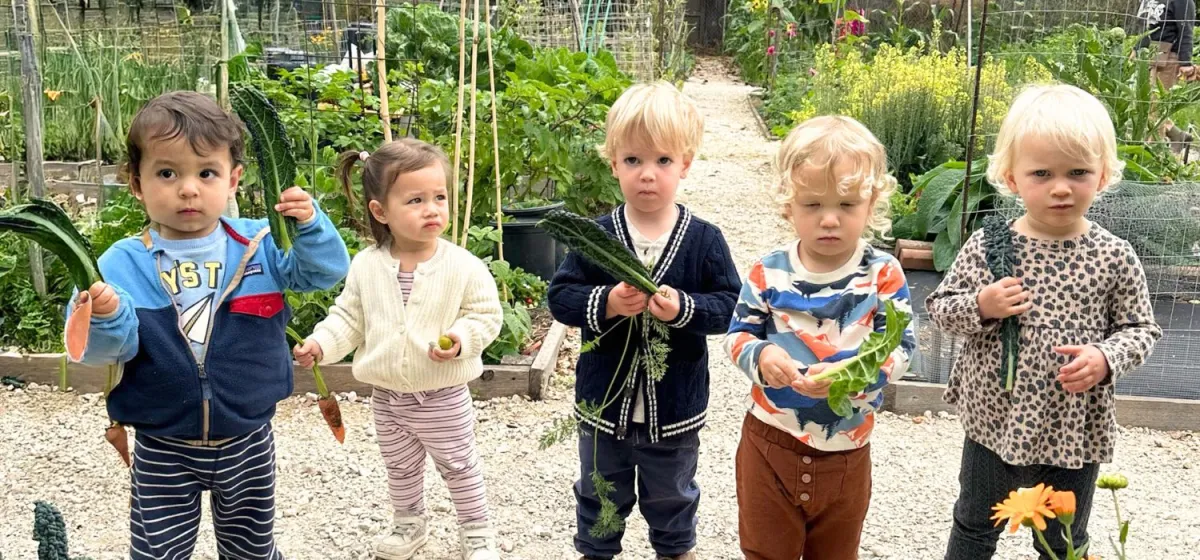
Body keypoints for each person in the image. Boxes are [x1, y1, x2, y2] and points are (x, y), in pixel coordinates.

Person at [67, 90, 351, 559]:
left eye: (206, 173)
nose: (188, 188)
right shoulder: (120, 264)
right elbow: (99, 350)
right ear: (135, 184)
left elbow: (322, 273)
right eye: (166, 173)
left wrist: (310, 226)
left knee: (251, 549)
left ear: (233, 179)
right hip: (161, 442)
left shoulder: (259, 244)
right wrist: (107, 316)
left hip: (247, 436)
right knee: (158, 552)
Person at [928, 84, 1163, 559]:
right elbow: (940, 307)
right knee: (975, 524)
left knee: (1064, 538)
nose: (1061, 187)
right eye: (1042, 173)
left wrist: (1104, 355)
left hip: (1072, 428)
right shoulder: (991, 245)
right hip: (994, 420)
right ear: (1012, 179)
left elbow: (1142, 330)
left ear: (1102, 176)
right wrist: (983, 304)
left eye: (1078, 172)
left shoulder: (1114, 255)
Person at [546, 81, 741, 560]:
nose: (647, 175)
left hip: (673, 408)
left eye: (662, 161)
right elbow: (561, 298)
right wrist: (607, 301)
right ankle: (597, 551)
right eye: (633, 161)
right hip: (603, 405)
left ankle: (675, 551)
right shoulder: (597, 237)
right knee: (599, 493)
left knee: (672, 495)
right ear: (613, 164)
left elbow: (731, 306)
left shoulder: (703, 240)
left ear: (686, 164)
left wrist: (684, 310)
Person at [292, 138, 504, 560]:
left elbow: (486, 316)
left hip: (441, 394)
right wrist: (320, 343)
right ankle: (409, 524)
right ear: (380, 211)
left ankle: (477, 530)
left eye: (439, 197)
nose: (432, 208)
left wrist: (460, 339)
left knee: (458, 465)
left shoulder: (462, 265)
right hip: (387, 397)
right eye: (416, 200)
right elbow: (349, 319)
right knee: (401, 467)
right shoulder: (368, 265)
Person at [724, 115, 916, 560]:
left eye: (847, 206)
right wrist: (762, 353)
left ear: (871, 204)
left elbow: (902, 348)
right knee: (765, 550)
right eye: (813, 205)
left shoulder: (883, 274)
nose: (830, 220)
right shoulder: (768, 270)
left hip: (848, 446)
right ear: (788, 204)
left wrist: (854, 375)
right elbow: (738, 335)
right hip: (771, 438)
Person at [1137, 0, 1197, 151]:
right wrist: (1137, 47)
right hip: (1150, 55)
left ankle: (1152, 153)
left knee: (1156, 106)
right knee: (1148, 104)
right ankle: (1177, 135)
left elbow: (1186, 29)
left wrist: (1185, 62)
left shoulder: (1182, 2)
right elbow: (1147, 26)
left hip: (1169, 57)